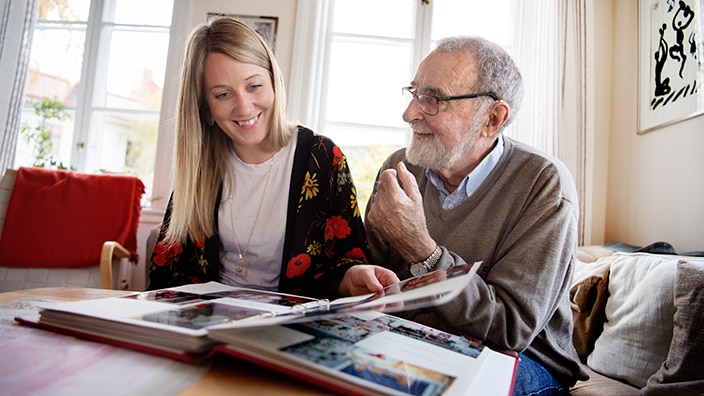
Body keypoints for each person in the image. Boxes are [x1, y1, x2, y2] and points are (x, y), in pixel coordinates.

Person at [364, 36, 588, 395]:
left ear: (493, 118)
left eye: (433, 99)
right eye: (413, 93)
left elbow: (509, 329)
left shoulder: (544, 183)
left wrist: (424, 253)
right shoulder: (401, 167)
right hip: (415, 340)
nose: (409, 113)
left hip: (525, 360)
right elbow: (373, 280)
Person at [148, 17, 397, 298]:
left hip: (293, 326)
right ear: (206, 108)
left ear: (273, 83)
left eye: (254, 86)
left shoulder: (323, 157)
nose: (244, 107)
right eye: (222, 94)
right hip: (208, 323)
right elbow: (167, 274)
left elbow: (346, 261)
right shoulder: (199, 166)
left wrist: (354, 276)